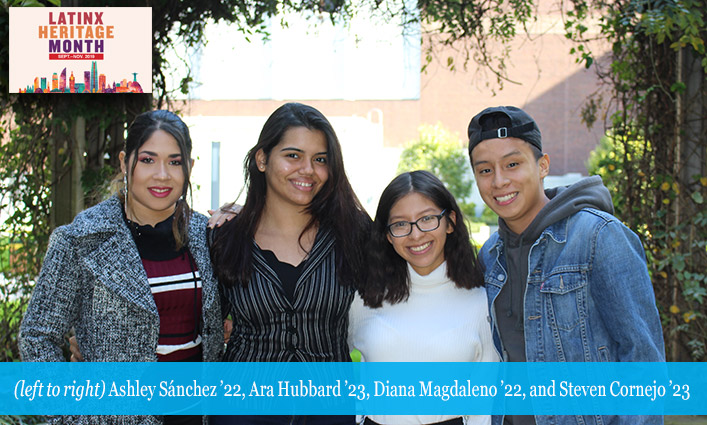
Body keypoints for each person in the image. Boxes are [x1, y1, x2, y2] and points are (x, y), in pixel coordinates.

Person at [19, 110, 223, 425]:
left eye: (174, 161)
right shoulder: (81, 241)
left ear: (190, 167)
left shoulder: (208, 237)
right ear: (124, 162)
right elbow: (37, 337)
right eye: (147, 160)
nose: (162, 175)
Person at [466, 106, 665, 425]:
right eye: (485, 170)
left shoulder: (599, 237)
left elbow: (643, 360)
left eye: (513, 164)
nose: (499, 181)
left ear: (542, 165)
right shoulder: (490, 257)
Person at [209, 102, 371, 425]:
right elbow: (194, 319)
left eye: (320, 159)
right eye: (293, 155)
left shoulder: (355, 235)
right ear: (262, 159)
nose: (307, 170)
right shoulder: (225, 238)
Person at [349, 170, 499, 425]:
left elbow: (485, 400)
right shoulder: (365, 299)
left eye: (427, 218)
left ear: (450, 221)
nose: (415, 234)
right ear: (387, 235)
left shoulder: (479, 301)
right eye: (400, 224)